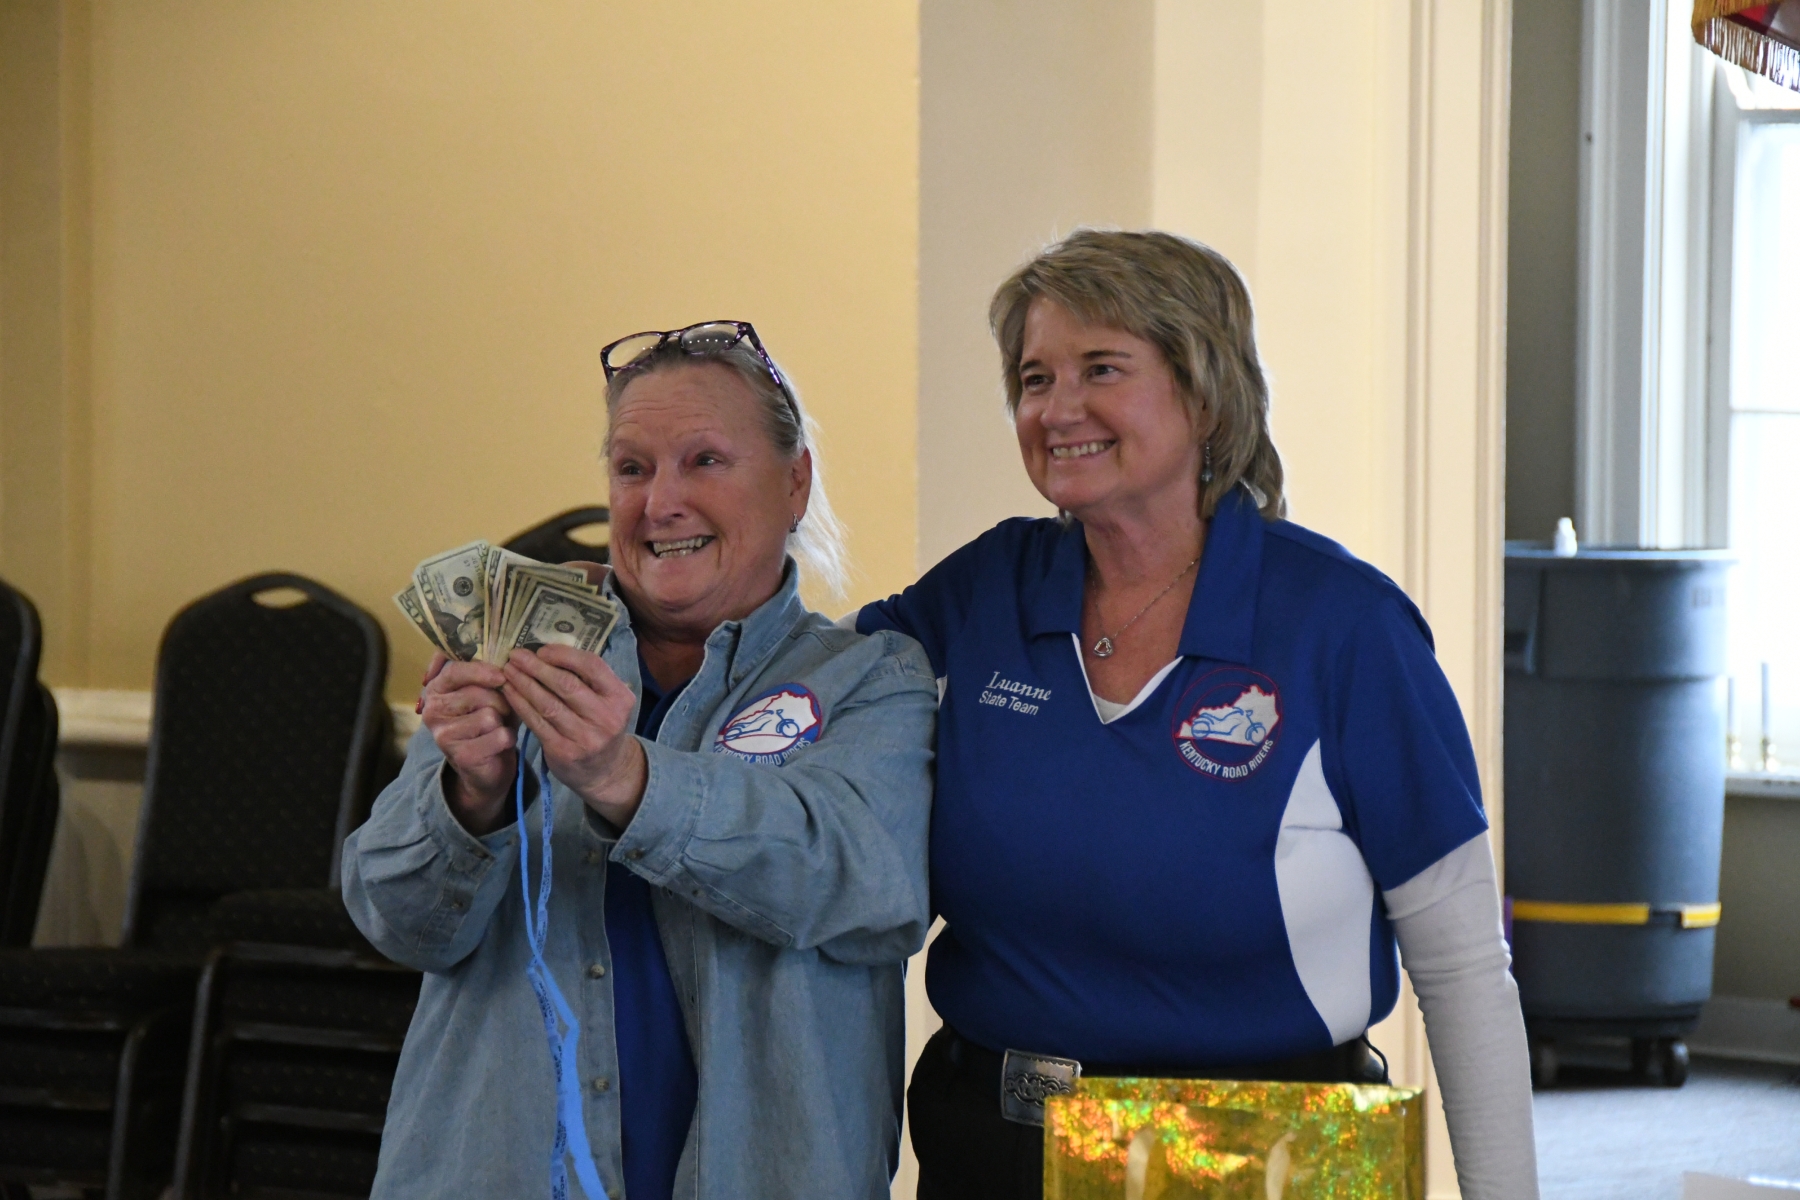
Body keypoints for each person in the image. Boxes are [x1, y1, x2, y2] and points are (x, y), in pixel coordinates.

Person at [856, 231, 1538, 1199]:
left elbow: (1464, 968)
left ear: (1206, 394)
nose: (1057, 408)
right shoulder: (982, 595)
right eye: (1035, 378)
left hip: (1266, 1156)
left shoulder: (1345, 628)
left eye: (1101, 368)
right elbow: (807, 687)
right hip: (994, 1146)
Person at [344, 321, 937, 1200]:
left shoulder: (869, 676)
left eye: (705, 461)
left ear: (796, 482)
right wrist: (470, 798)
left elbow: (867, 885)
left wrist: (627, 779)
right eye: (632, 468)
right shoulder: (517, 652)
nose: (661, 503)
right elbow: (397, 924)